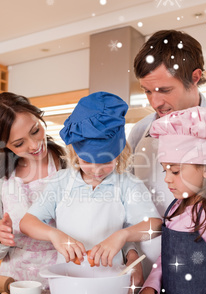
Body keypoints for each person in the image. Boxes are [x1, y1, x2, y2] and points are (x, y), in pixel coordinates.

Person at [20, 91, 162, 277]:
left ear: (119, 152)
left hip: (112, 283)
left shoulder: (127, 184)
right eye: (86, 162)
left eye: (105, 162)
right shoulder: (61, 182)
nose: (96, 170)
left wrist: (123, 236)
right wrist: (55, 235)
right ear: (74, 153)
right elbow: (27, 223)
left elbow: (155, 225)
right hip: (68, 280)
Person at [127, 29, 206, 279]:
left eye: (164, 90)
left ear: (195, 77)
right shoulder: (140, 132)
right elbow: (126, 200)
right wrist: (131, 251)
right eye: (147, 91)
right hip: (149, 273)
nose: (155, 103)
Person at [139, 106, 206, 294]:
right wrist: (150, 286)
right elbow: (167, 256)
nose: (167, 179)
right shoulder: (176, 208)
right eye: (165, 170)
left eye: (174, 171)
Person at [0, 92, 66, 282]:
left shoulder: (70, 164)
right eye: (19, 143)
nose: (35, 145)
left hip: (64, 278)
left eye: (35, 130)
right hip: (16, 284)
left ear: (38, 117)